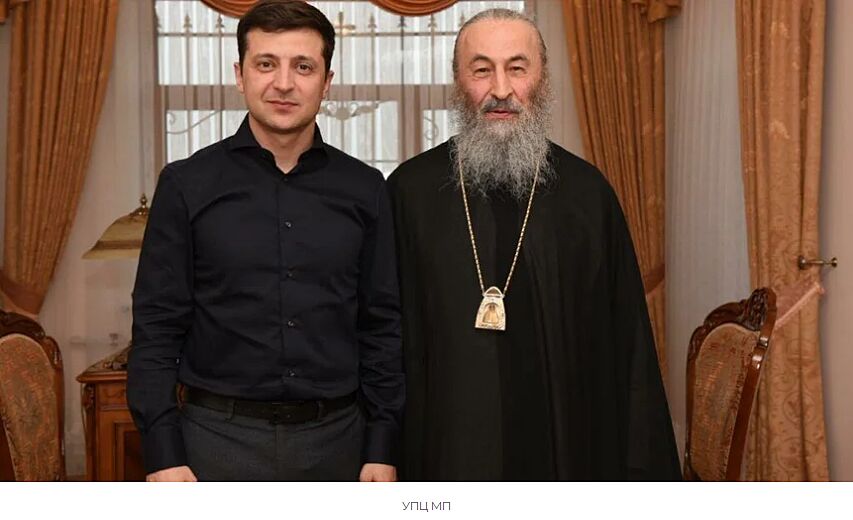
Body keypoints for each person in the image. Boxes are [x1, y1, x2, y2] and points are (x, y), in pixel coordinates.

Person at [387, 8, 680, 481]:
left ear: (542, 79)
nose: (501, 89)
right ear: (458, 80)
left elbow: (627, 345)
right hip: (444, 446)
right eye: (482, 70)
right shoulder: (410, 192)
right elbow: (382, 338)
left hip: (563, 445)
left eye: (517, 68)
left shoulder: (587, 194)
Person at [128, 0, 403, 482]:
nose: (284, 83)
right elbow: (156, 326)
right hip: (213, 442)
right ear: (240, 75)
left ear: (326, 81)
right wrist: (163, 453)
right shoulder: (186, 184)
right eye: (266, 64)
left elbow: (382, 326)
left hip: (339, 442)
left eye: (303, 67)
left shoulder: (366, 189)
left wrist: (382, 445)